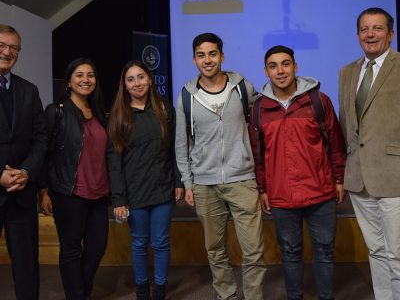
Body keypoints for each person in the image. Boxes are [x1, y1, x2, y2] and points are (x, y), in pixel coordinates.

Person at [248, 45, 346, 300]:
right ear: (266, 71)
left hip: (320, 192)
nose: (280, 71)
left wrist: (339, 179)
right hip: (282, 195)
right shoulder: (258, 109)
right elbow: (258, 155)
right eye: (273, 66)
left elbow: (335, 144)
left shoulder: (318, 101)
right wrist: (263, 189)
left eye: (286, 64)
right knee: (290, 253)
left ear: (295, 67)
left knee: (324, 250)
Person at [175, 32, 266, 300]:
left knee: (254, 250)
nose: (207, 60)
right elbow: (182, 145)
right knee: (215, 250)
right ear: (194, 60)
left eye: (212, 53)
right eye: (201, 55)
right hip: (204, 184)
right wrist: (188, 182)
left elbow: (261, 122)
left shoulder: (242, 88)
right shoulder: (186, 97)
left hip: (242, 180)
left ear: (222, 56)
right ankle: (226, 295)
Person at [107, 60, 184, 300]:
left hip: (163, 189)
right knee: (139, 242)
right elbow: (115, 164)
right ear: (125, 85)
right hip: (134, 193)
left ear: (150, 79)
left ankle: (159, 289)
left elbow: (174, 149)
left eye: (141, 77)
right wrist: (119, 199)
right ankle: (142, 290)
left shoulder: (165, 109)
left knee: (160, 242)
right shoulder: (118, 116)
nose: (137, 83)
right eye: (131, 79)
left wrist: (178, 182)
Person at [339, 7, 400, 299]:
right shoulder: (347, 72)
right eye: (365, 29)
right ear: (358, 35)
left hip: (393, 176)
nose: (370, 34)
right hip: (358, 176)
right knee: (375, 249)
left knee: (397, 253)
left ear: (390, 33)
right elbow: (346, 123)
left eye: (377, 28)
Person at [38, 58, 109, 300]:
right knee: (70, 249)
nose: (85, 80)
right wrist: (43, 190)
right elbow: (44, 153)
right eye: (79, 75)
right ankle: (77, 295)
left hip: (99, 194)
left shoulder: (101, 113)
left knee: (97, 247)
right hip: (68, 193)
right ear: (69, 81)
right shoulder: (55, 111)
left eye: (90, 75)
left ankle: (81, 291)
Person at [0, 24, 47, 300]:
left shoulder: (29, 90)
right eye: (2, 46)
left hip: (21, 192)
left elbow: (40, 139)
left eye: (14, 48)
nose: (7, 52)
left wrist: (27, 171)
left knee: (27, 266)